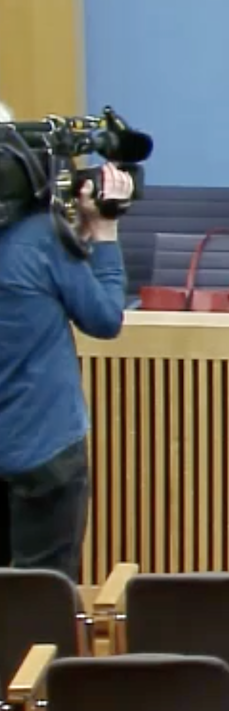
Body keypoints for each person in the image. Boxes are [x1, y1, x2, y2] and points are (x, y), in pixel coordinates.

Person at [0, 152, 133, 579]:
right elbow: (104, 318)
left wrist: (73, 242)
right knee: (41, 595)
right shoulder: (40, 239)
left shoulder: (42, 241)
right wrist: (105, 232)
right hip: (43, 448)